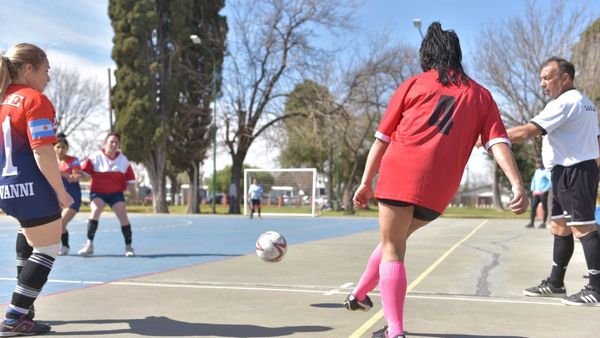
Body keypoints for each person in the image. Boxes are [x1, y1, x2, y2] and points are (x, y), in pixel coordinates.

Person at [350, 23, 528, 338]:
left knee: (393, 246)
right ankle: (359, 296)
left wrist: (365, 182)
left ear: (426, 55)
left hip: (399, 173)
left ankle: (395, 331)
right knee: (396, 240)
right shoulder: (481, 95)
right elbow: (498, 142)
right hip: (439, 189)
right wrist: (516, 182)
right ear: (457, 55)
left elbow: (381, 140)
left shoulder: (413, 85)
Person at [507, 57, 600, 306]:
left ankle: (597, 289)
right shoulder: (584, 103)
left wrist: (492, 138)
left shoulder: (566, 102)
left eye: (547, 78)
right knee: (559, 227)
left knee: (584, 227)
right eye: (541, 79)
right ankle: (556, 283)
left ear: (565, 78)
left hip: (575, 170)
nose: (542, 84)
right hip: (564, 171)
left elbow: (527, 132)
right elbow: (597, 141)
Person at [0, 43, 74, 335]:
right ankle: (15, 316)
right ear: (28, 69)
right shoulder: (35, 100)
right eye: (46, 70)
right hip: (31, 186)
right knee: (47, 247)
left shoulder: (3, 100)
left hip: (6, 187)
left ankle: (26, 307)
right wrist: (61, 191)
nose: (49, 78)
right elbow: (42, 151)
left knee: (28, 234)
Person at [77, 132, 137, 257]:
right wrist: (73, 176)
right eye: (111, 142)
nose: (114, 145)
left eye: (116, 143)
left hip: (116, 194)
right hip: (98, 193)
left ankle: (128, 247)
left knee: (123, 215)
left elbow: (131, 180)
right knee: (95, 210)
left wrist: (134, 194)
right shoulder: (95, 157)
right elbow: (83, 172)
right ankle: (89, 245)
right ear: (105, 144)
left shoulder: (123, 160)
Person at [54, 133, 82, 255]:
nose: (60, 150)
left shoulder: (73, 161)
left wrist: (72, 176)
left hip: (72, 197)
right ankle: (63, 246)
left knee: (60, 223)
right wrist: (62, 173)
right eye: (58, 147)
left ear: (67, 148)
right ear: (53, 147)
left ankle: (65, 246)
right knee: (56, 224)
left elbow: (76, 175)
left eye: (63, 147)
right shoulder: (50, 161)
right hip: (57, 198)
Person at [525, 158, 551, 229]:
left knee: (544, 208)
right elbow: (533, 180)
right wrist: (532, 189)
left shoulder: (546, 171)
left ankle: (543, 223)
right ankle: (531, 222)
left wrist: (545, 190)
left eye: (539, 163)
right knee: (533, 207)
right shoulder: (537, 171)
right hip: (536, 193)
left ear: (542, 163)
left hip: (543, 193)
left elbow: (551, 181)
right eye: (537, 163)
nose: (538, 164)